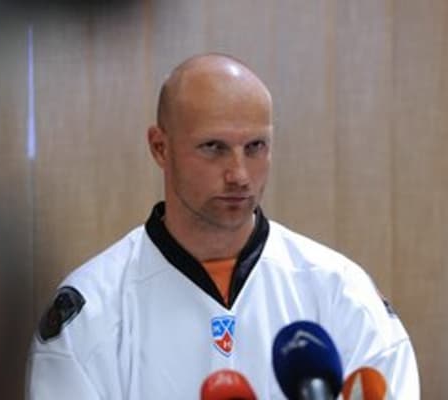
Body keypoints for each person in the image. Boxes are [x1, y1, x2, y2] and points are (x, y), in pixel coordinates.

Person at [26, 53, 420, 399]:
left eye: (255, 147)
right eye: (214, 148)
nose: (239, 175)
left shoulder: (341, 293)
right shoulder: (93, 310)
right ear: (160, 147)